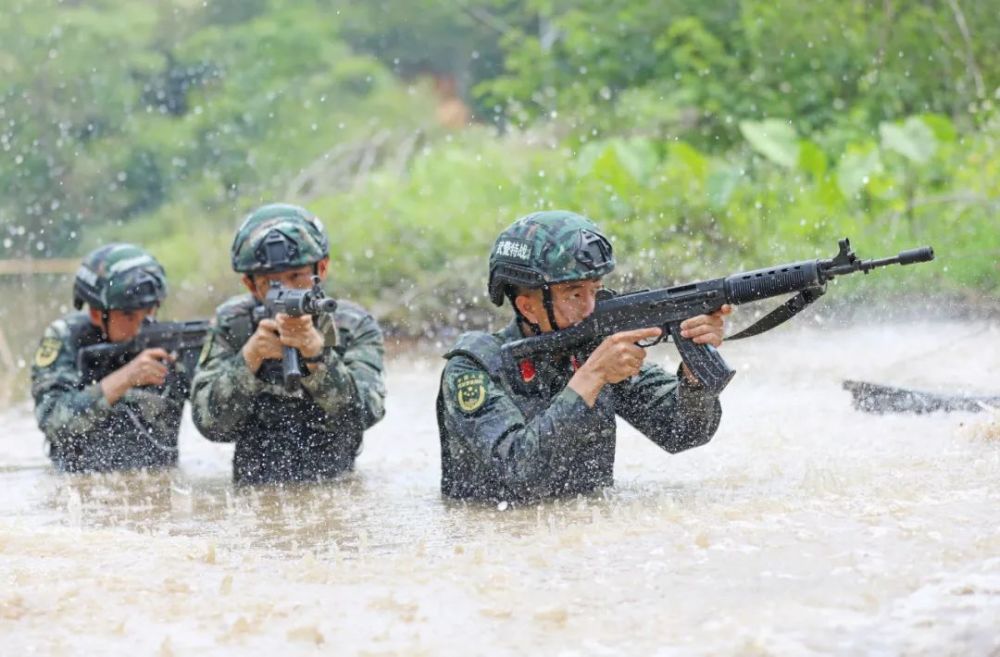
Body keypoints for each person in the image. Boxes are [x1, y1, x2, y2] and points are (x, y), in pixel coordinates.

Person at [437, 211, 730, 503]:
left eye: (596, 290)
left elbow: (682, 432)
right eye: (574, 295)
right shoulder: (473, 367)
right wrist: (591, 378)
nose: (591, 308)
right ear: (528, 308)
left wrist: (694, 378)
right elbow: (519, 475)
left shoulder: (589, 348)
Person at [190, 203, 386, 484]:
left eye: (296, 276)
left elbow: (364, 414)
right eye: (271, 282)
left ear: (323, 268)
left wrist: (318, 358)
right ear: (250, 284)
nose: (287, 290)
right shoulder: (234, 324)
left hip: (335, 484)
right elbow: (210, 425)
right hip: (251, 489)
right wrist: (249, 360)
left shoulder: (352, 326)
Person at [32, 244, 184, 472]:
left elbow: (215, 423)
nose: (141, 325)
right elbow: (53, 420)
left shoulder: (171, 341)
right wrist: (125, 379)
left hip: (159, 479)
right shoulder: (66, 339)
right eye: (128, 315)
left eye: (150, 311)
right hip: (80, 483)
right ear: (96, 313)